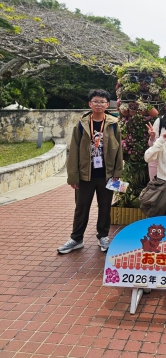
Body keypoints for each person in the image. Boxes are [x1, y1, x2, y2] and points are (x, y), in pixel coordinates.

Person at [57, 89, 123, 254]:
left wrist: (117, 172)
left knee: (105, 207)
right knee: (81, 207)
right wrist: (73, 177)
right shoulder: (81, 124)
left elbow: (119, 150)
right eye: (95, 101)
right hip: (85, 174)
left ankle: (103, 236)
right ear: (90, 104)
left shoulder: (114, 124)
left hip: (106, 175)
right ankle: (76, 238)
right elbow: (74, 151)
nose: (98, 104)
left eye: (102, 102)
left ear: (107, 104)